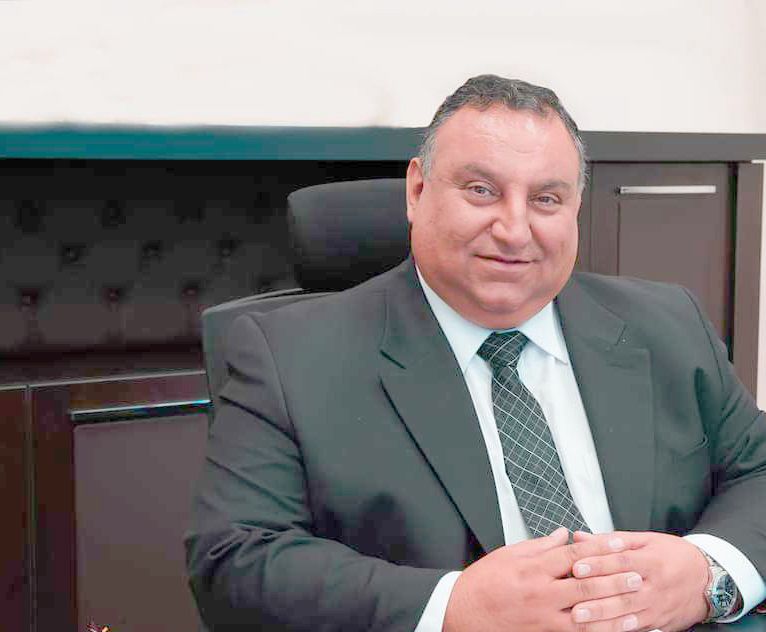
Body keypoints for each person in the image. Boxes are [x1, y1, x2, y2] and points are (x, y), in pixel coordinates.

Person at [185, 75, 766, 631]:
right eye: (482, 191)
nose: (514, 230)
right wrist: (453, 608)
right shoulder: (290, 356)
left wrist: (708, 572)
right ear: (417, 191)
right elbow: (235, 560)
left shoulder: (666, 324)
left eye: (546, 199)